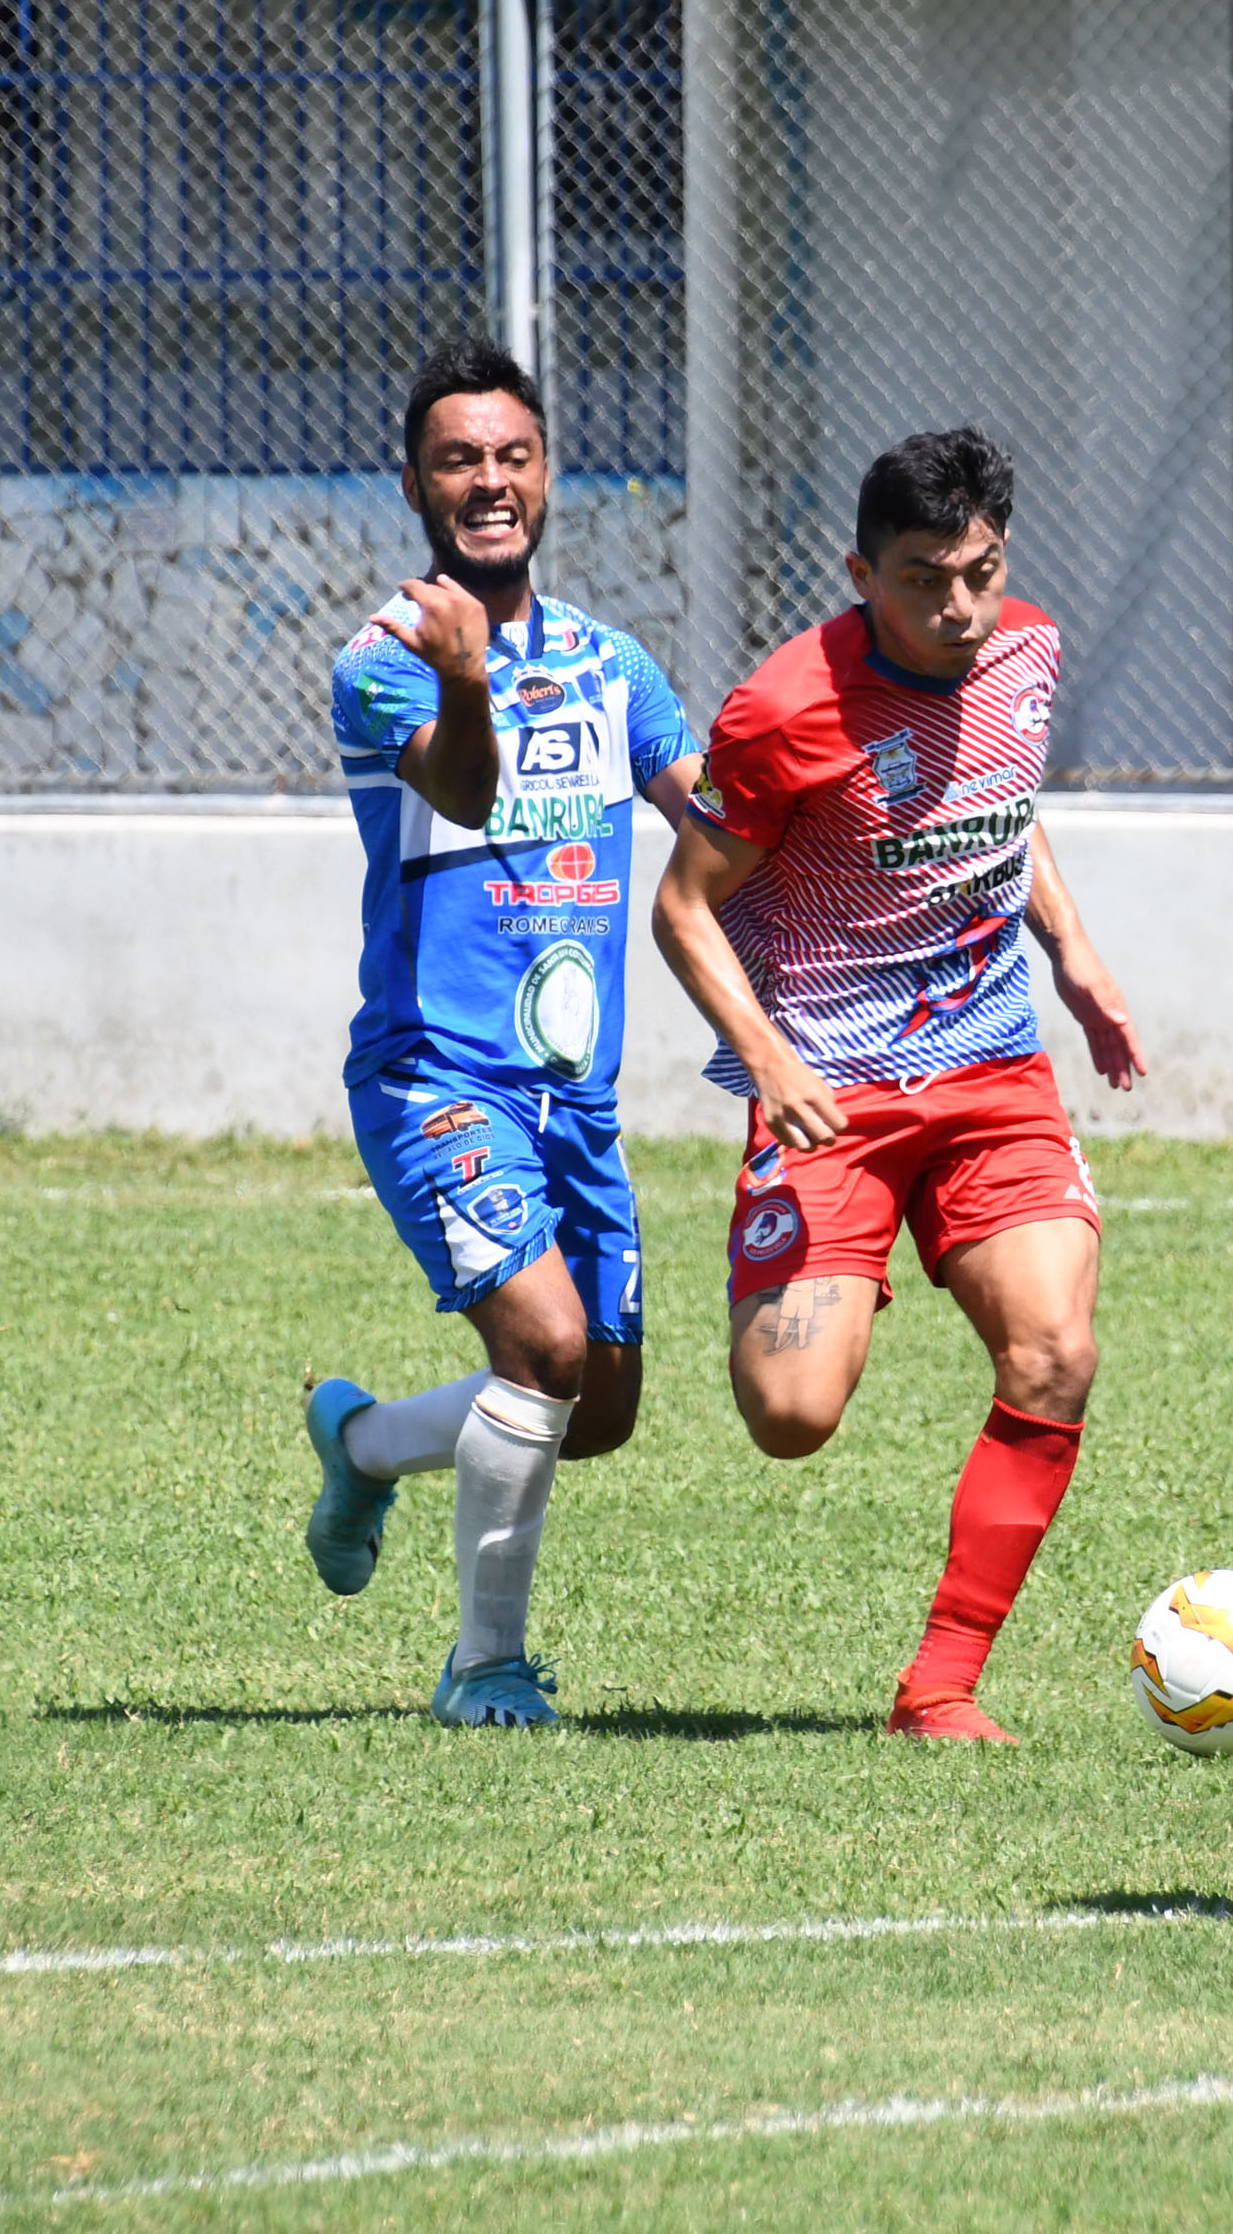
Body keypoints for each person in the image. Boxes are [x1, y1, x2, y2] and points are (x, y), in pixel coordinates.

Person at [649, 428, 1150, 1745]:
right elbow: (684, 905)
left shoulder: (1026, 651)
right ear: (861, 570)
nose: (960, 609)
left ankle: (940, 1690)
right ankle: (821, 1249)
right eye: (925, 578)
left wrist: (1075, 949)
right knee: (792, 1415)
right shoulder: (785, 709)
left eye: (981, 571)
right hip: (832, 1087)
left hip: (992, 1070)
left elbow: (1002, 801)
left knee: (1055, 1354)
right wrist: (767, 1062)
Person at [298, 336, 699, 1730]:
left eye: (512, 457)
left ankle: (360, 1442)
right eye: (460, 459)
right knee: (542, 1348)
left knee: (598, 1408)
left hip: (573, 1098)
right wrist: (469, 676)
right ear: (414, 481)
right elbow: (463, 795)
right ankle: (485, 1668)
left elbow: (706, 810)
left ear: (547, 476)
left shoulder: (612, 661)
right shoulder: (385, 660)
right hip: (435, 1077)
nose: (489, 482)